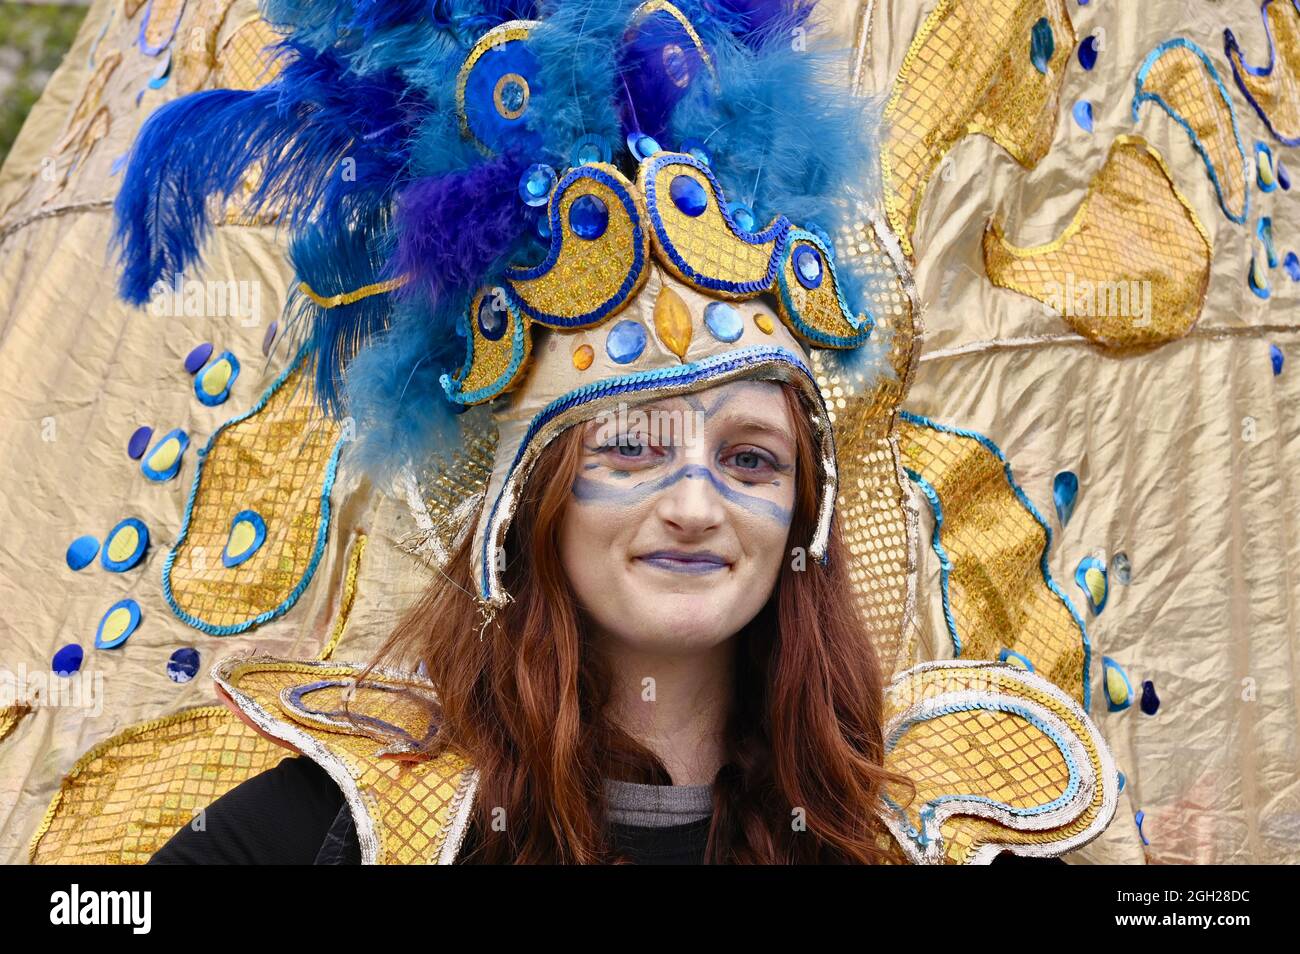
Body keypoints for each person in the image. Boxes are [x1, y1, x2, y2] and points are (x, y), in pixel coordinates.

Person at [118, 0, 1116, 864]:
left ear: (805, 517)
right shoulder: (332, 835)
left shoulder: (923, 835)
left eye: (750, 458)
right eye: (630, 447)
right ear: (526, 500)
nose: (692, 506)